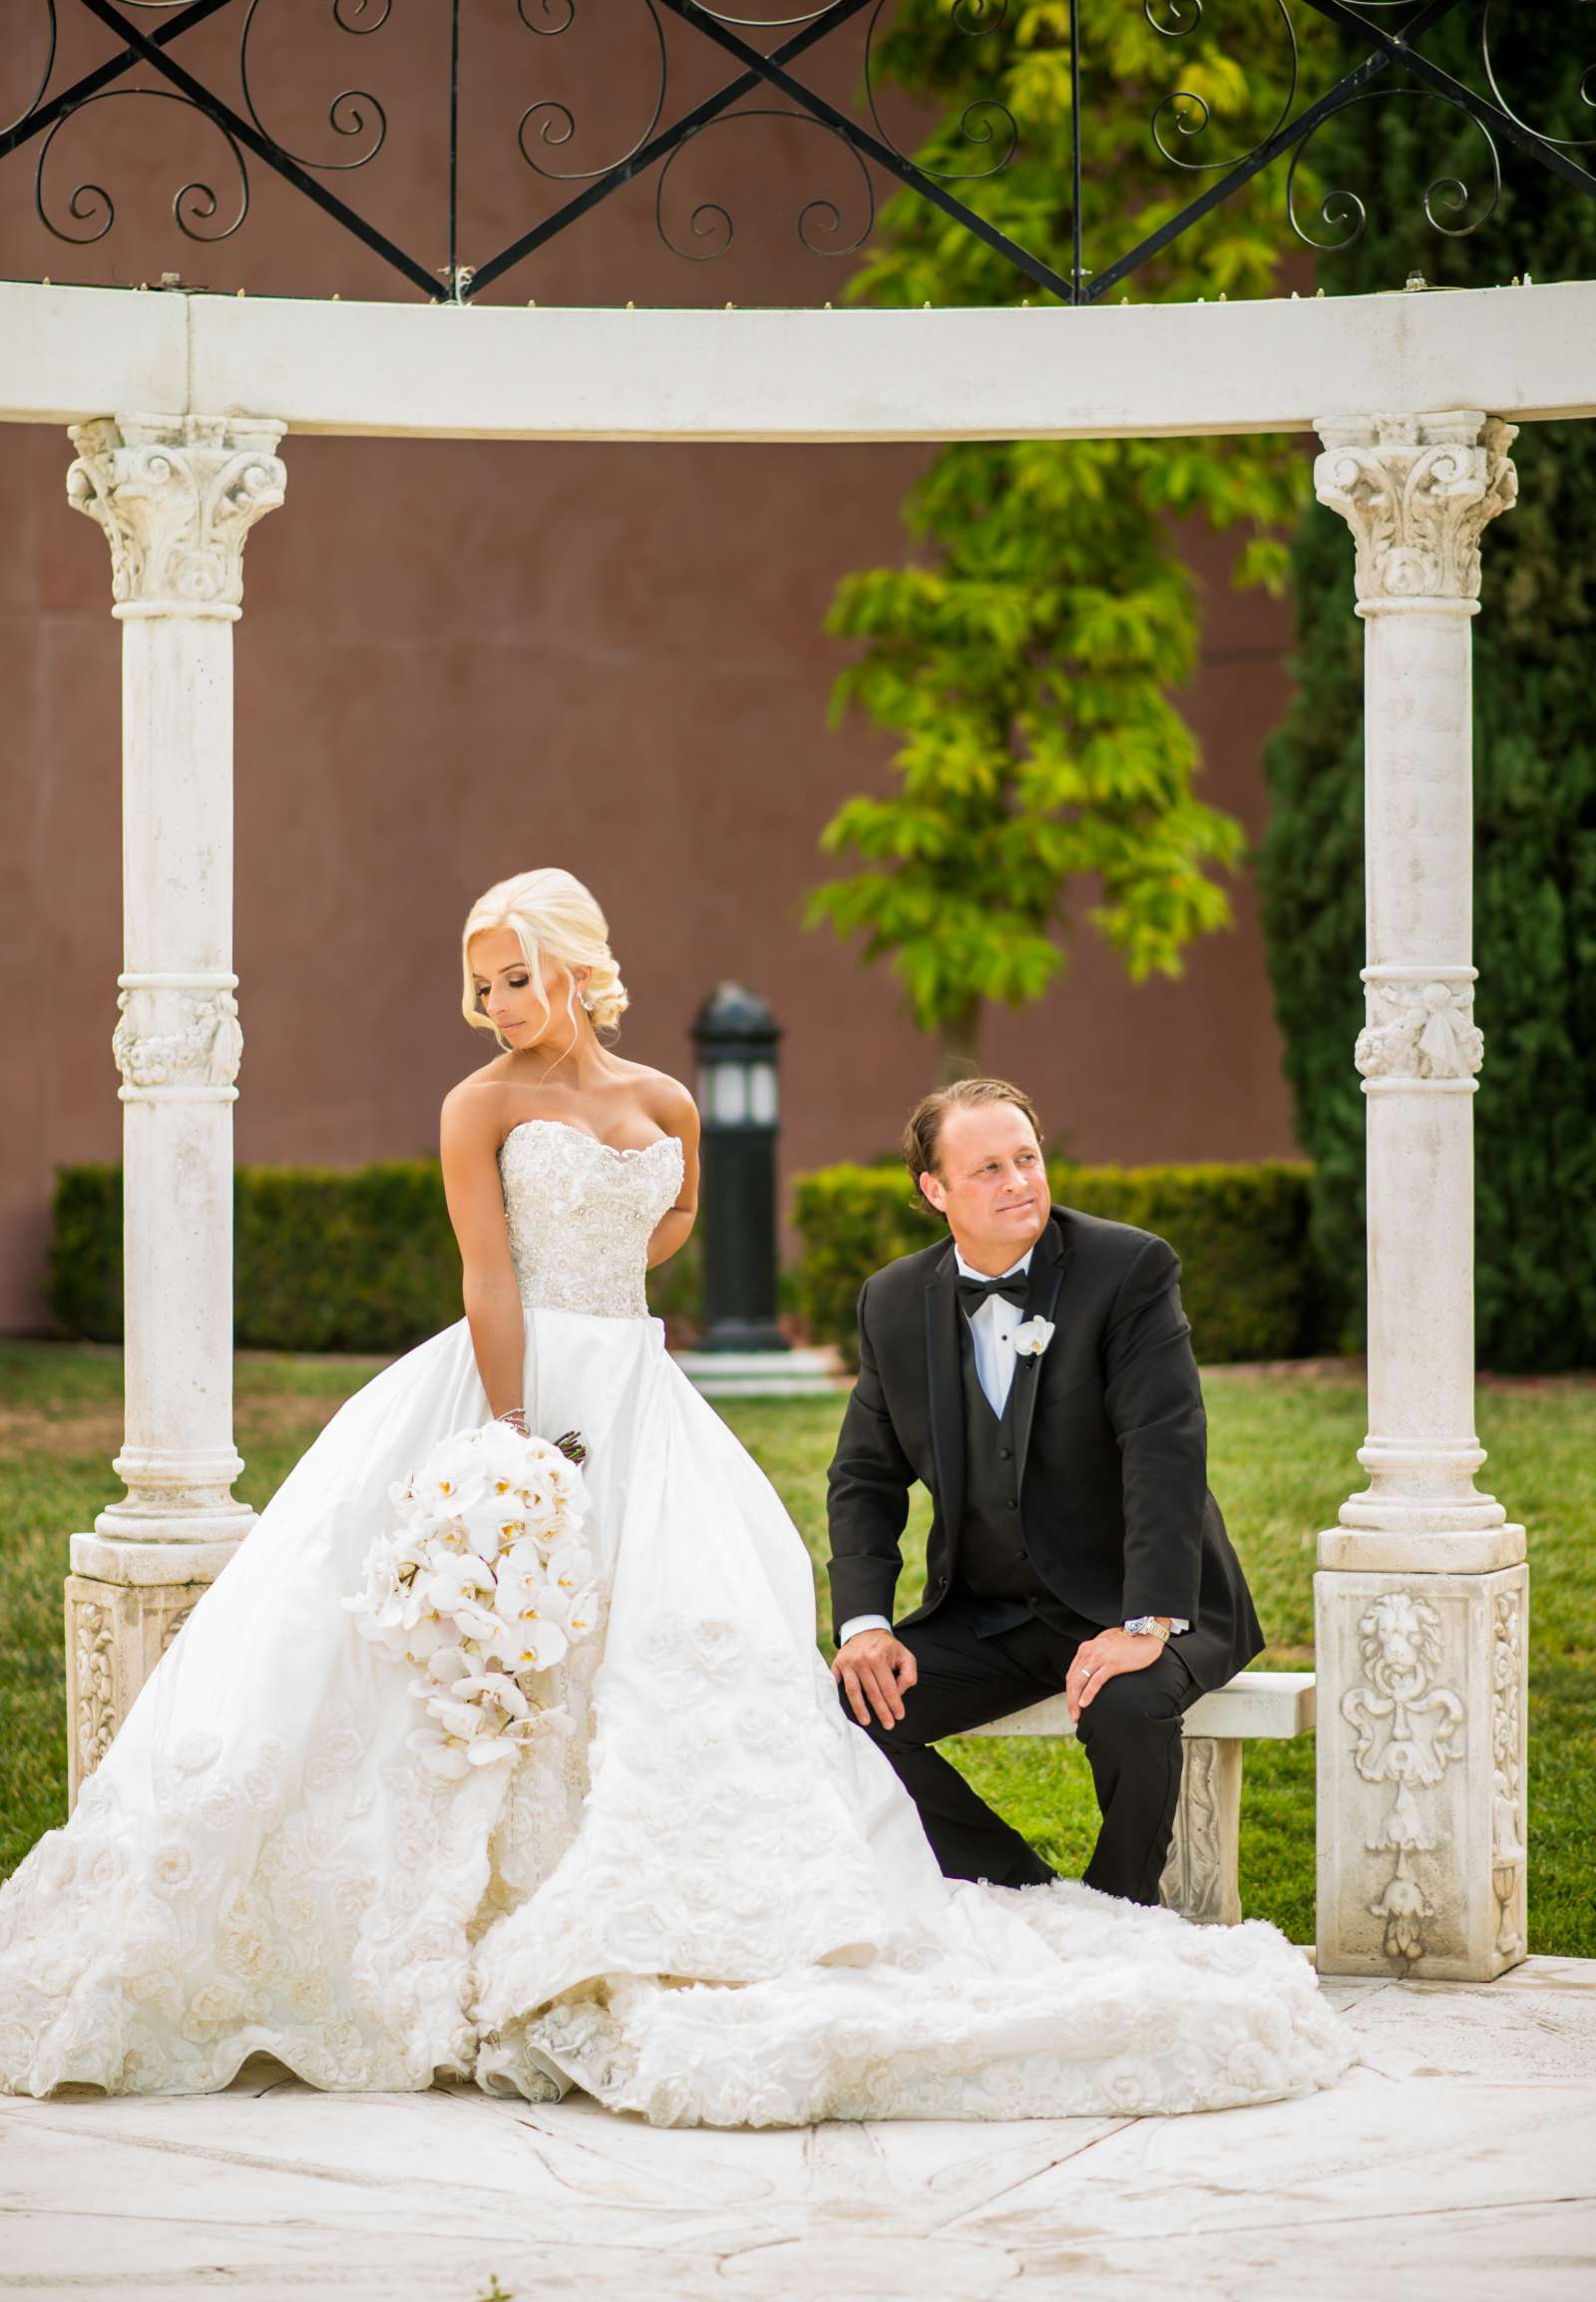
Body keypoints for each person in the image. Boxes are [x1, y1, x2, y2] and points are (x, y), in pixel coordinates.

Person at [0, 870, 1351, 2124]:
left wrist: (609, 1276)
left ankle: (979, 1897)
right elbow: (486, 1273)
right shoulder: (478, 1106)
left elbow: (677, 1216)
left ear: (574, 970)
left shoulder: (673, 1099)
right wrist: (520, 1437)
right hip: (517, 1383)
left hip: (641, 1387)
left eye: (513, 978)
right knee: (496, 1659)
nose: (495, 1007)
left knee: (697, 1652)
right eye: (481, 987)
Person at [827, 1076, 1263, 1908]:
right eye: (988, 1167)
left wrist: (1144, 1623)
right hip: (990, 1611)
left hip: (1141, 1601)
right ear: (934, 1189)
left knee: (1129, 1704)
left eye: (1026, 1158)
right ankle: (1020, 1894)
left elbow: (1164, 1447)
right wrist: (866, 1624)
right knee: (846, 1710)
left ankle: (1119, 1912)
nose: (1020, 1182)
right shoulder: (892, 1302)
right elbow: (865, 1476)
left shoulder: (1128, 1268)